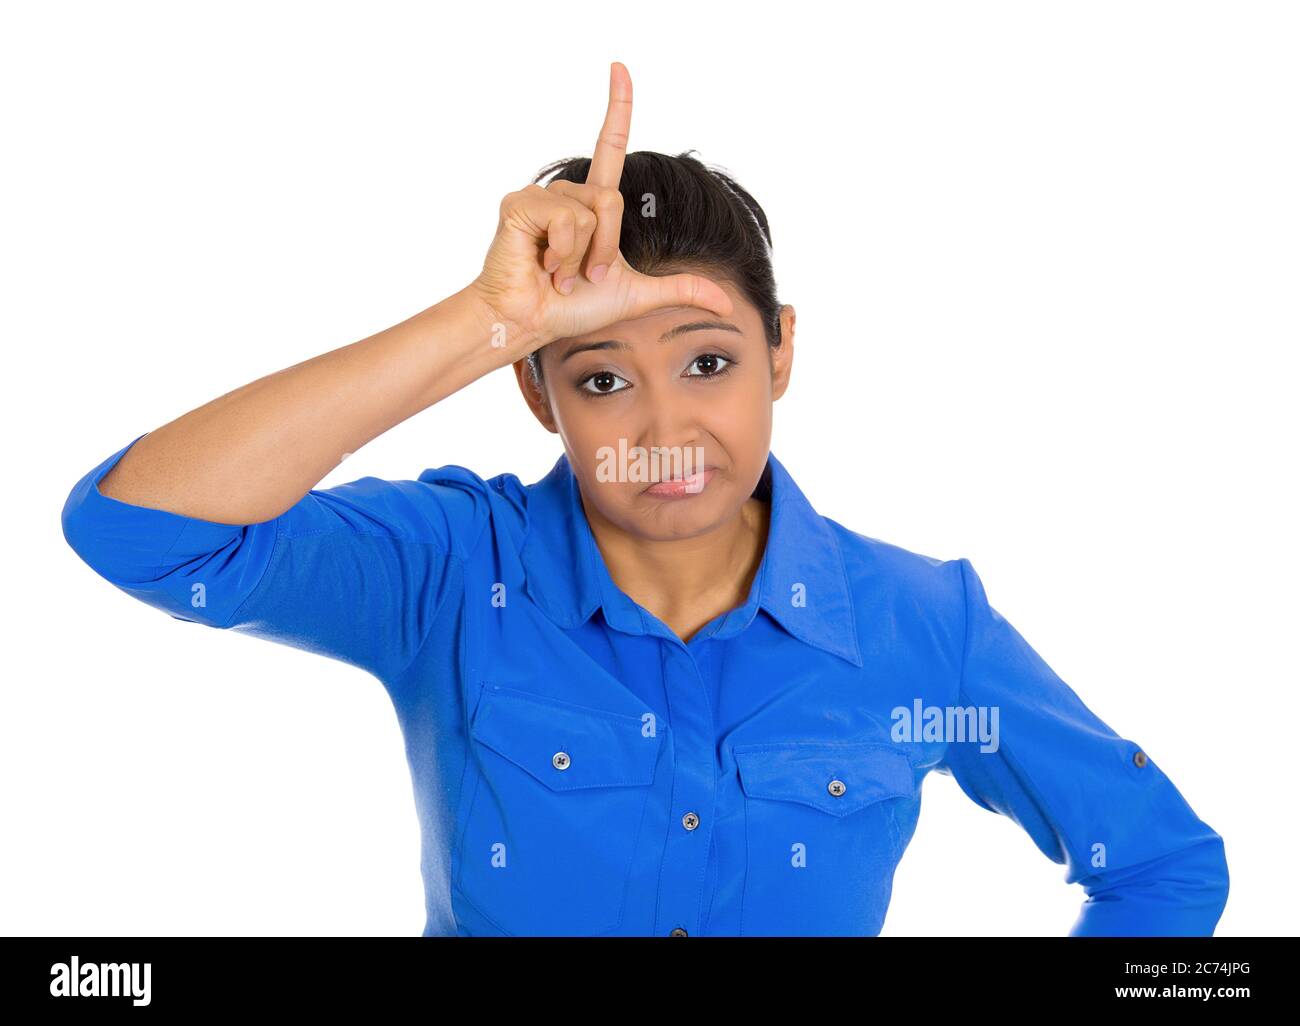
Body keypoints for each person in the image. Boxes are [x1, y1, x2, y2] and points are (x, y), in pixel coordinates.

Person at [61, 62, 1229, 937]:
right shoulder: (454, 576)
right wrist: (487, 322)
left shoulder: (922, 634)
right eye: (603, 376)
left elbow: (1161, 867)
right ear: (537, 396)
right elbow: (141, 529)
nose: (664, 433)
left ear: (780, 353)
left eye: (708, 362)